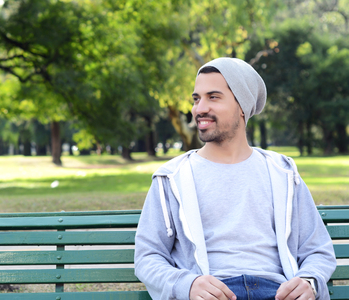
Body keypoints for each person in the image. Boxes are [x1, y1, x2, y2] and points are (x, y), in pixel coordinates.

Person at [134, 57, 336, 300]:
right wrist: (187, 284)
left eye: (213, 97)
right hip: (212, 294)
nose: (199, 109)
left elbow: (317, 250)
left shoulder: (282, 172)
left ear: (242, 106)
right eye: (196, 99)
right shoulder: (172, 178)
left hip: (277, 292)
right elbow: (148, 256)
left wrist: (309, 281)